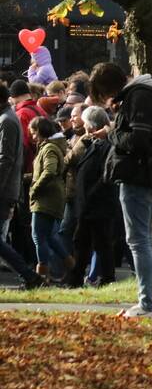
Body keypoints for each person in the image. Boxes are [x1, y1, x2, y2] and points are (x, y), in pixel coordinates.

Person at [89, 62, 152, 318]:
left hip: (136, 174)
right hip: (142, 173)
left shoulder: (138, 97)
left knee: (138, 239)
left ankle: (147, 304)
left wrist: (112, 134)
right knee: (140, 238)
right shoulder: (142, 93)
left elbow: (137, 139)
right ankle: (146, 301)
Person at [63, 107, 118, 288]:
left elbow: (105, 176)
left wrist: (90, 196)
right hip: (87, 204)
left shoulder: (106, 145)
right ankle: (76, 278)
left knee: (101, 243)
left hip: (97, 203)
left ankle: (106, 278)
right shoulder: (91, 142)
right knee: (82, 242)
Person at [0, 82, 42, 289]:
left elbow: (5, 160)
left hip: (4, 189)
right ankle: (29, 275)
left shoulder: (7, 120)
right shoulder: (8, 117)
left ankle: (29, 275)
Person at [28, 116, 69, 284]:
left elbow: (50, 171)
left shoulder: (49, 148)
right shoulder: (50, 147)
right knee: (49, 237)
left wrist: (35, 188)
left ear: (41, 131)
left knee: (38, 236)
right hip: (53, 196)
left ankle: (42, 275)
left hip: (46, 198)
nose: (32, 137)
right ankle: (71, 266)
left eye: (34, 133)